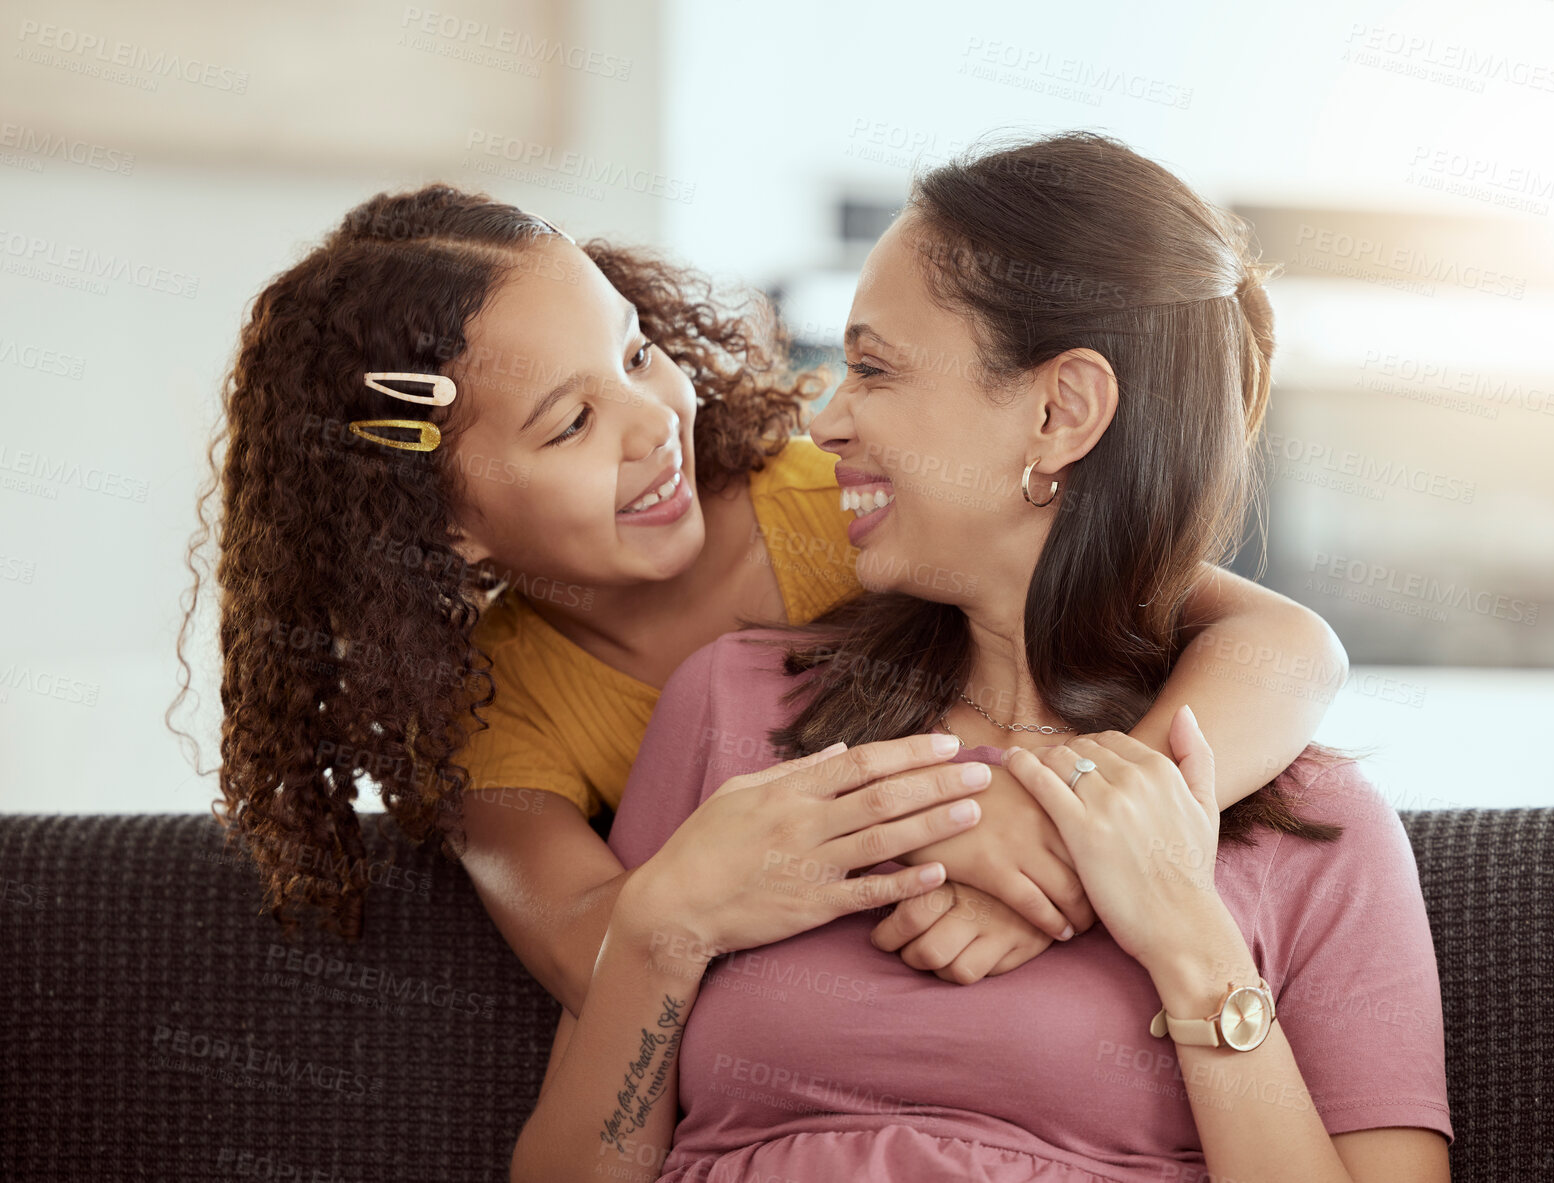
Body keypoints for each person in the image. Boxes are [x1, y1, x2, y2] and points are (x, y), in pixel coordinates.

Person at [173, 178, 1350, 1034]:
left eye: (635, 355)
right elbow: (596, 955)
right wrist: (913, 840)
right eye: (571, 423)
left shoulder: (841, 499)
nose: (651, 425)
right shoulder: (495, 712)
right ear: (441, 525)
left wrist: (1062, 846)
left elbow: (1285, 644)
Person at [510, 132, 1451, 1182]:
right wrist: (663, 922)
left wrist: (1189, 943)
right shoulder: (735, 703)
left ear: (1060, 412)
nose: (824, 420)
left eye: (871, 368)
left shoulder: (1308, 821)